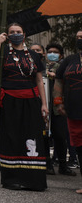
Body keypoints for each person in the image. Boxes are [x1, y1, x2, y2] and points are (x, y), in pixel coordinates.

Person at [0, 22, 47, 191]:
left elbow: (39, 80)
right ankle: (12, 179)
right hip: (10, 101)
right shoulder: (4, 52)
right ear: (8, 34)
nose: (15, 34)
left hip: (30, 101)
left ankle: (33, 179)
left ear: (24, 34)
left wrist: (44, 104)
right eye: (12, 32)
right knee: (11, 137)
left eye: (18, 31)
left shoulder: (34, 55)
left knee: (31, 138)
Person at [54, 30, 82, 194]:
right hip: (73, 112)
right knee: (80, 148)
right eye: (78, 37)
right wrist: (58, 103)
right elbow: (58, 81)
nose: (80, 39)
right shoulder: (69, 61)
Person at [45, 42, 75, 176]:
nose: (52, 54)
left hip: (58, 107)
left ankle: (63, 164)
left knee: (60, 135)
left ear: (61, 55)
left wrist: (56, 75)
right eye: (49, 52)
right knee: (44, 136)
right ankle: (47, 164)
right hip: (44, 106)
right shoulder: (41, 68)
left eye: (55, 52)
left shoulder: (65, 68)